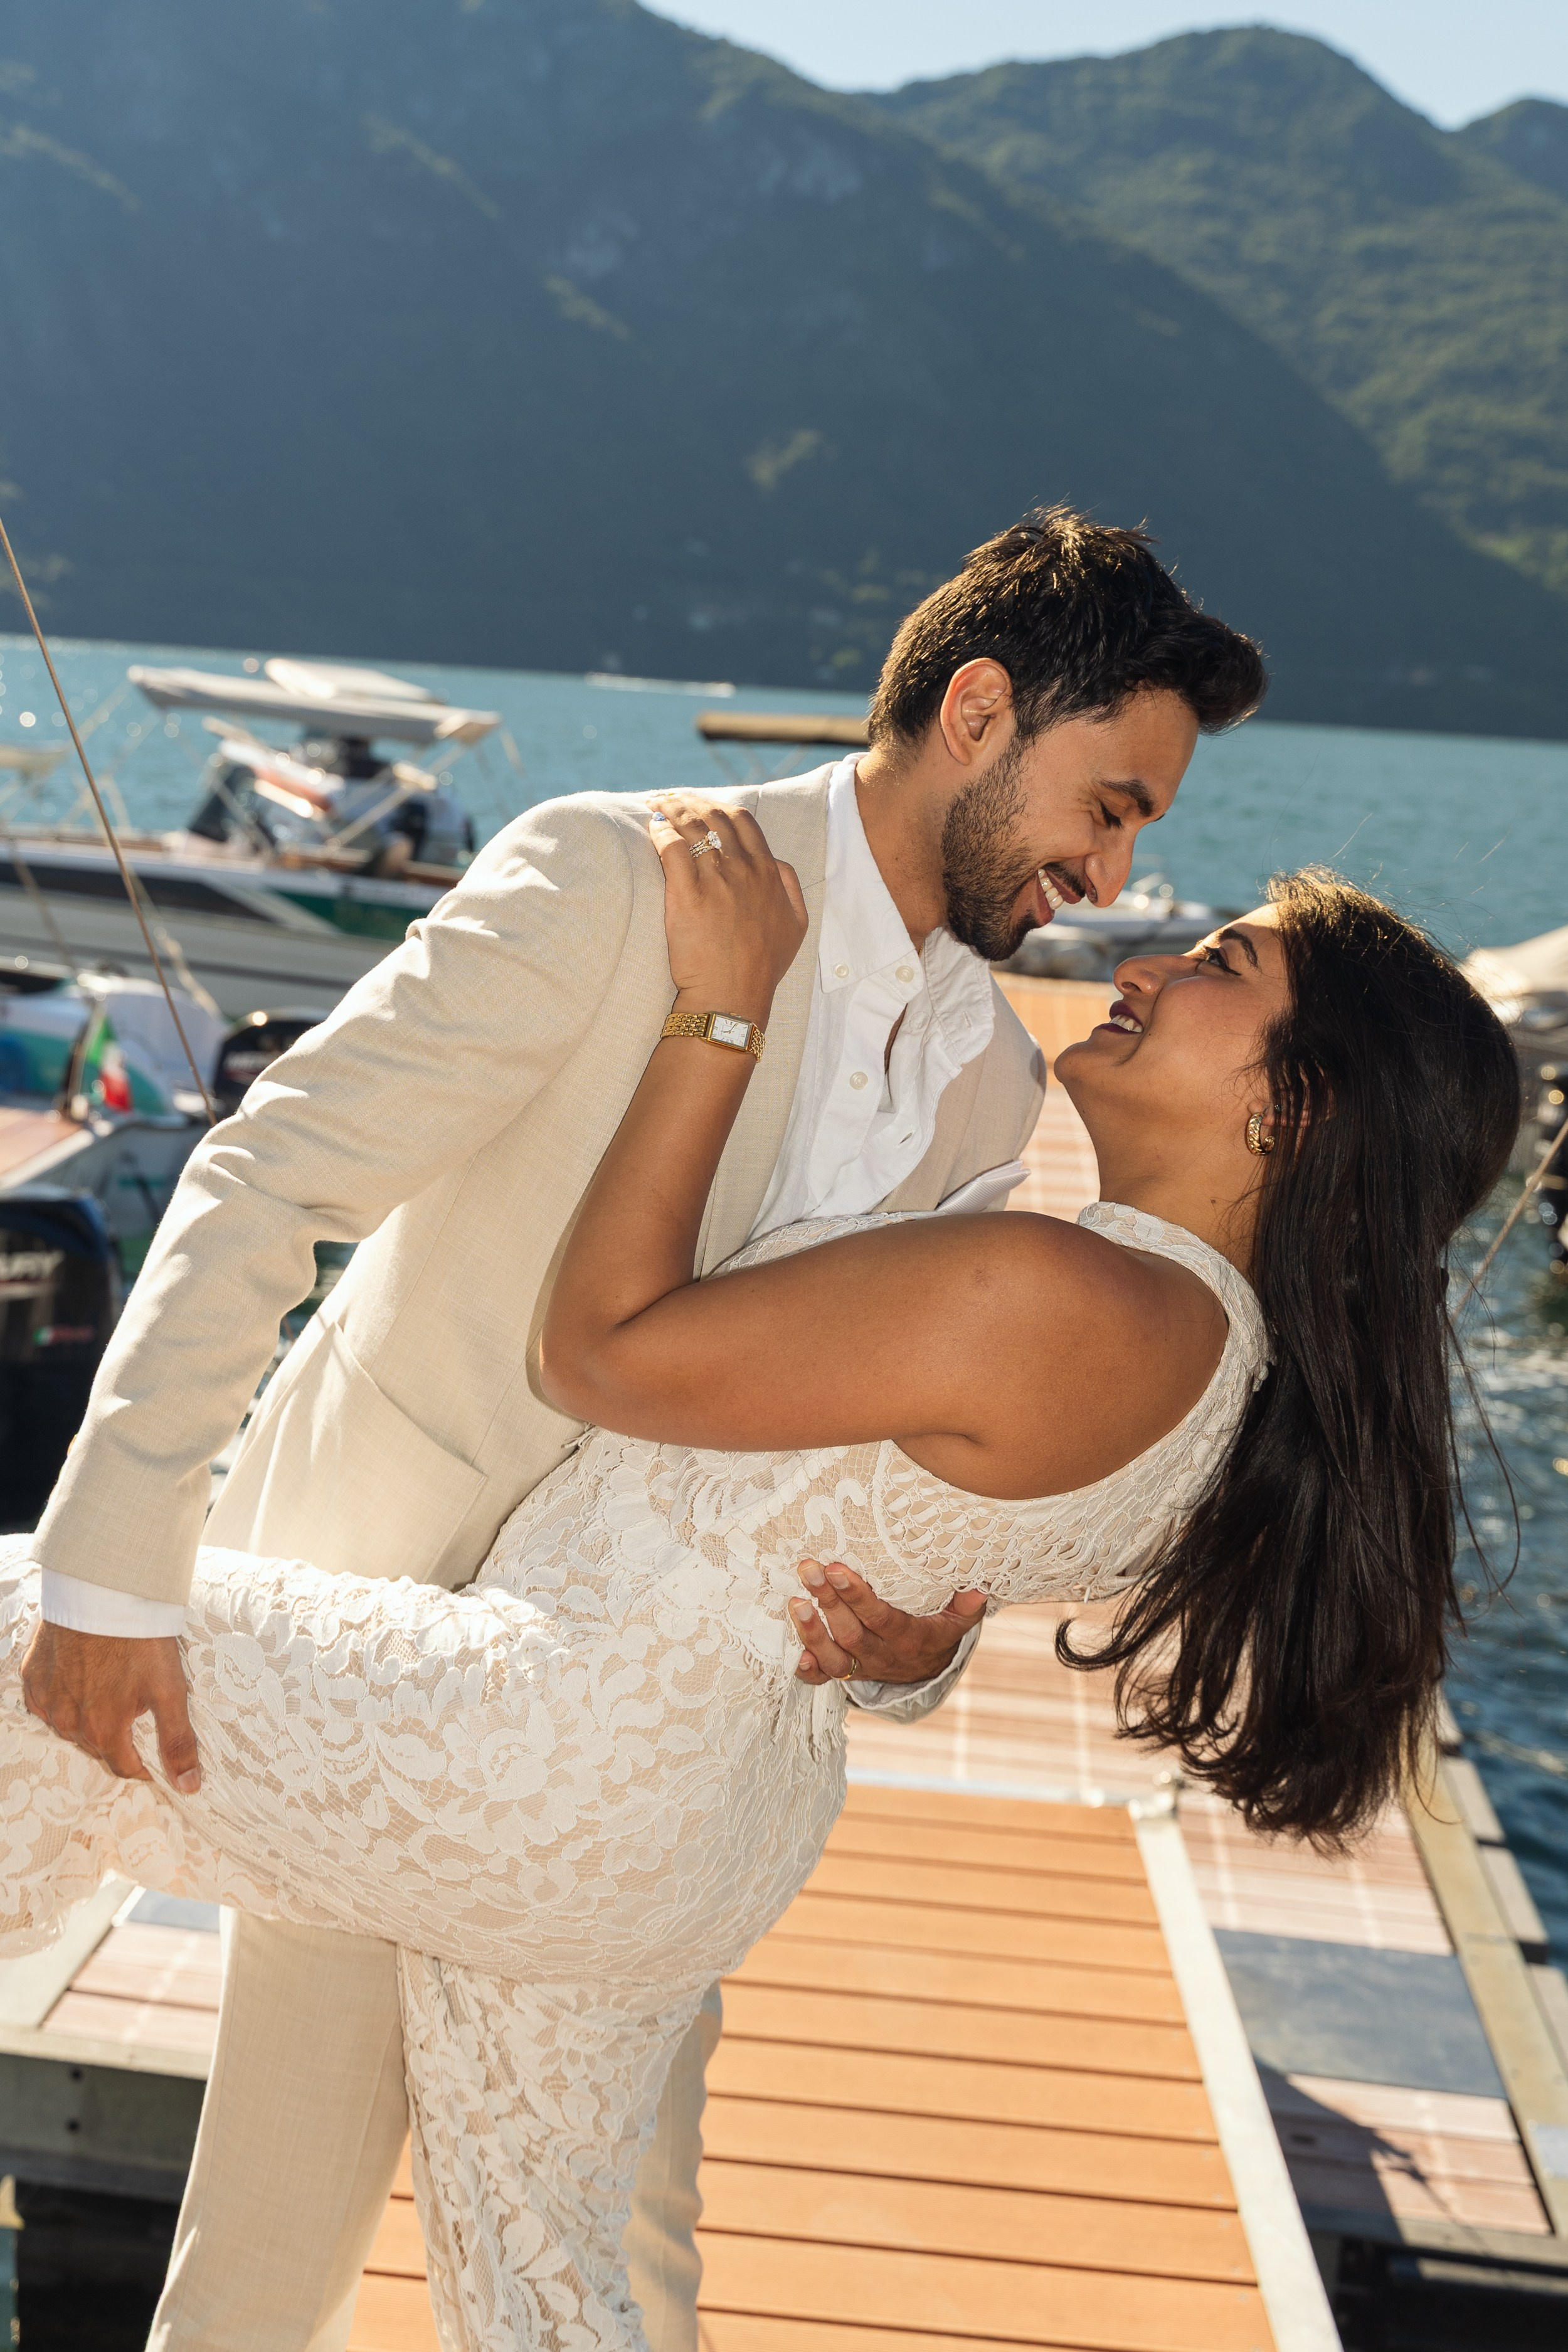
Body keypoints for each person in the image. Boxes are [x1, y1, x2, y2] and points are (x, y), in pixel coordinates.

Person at [18, 506, 1266, 2352]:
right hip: (376, 1626)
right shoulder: (612, 878)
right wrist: (120, 1556)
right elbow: (266, 1175)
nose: (1113, 861)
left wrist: (920, 1651)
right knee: (281, 2219)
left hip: (654, 1750)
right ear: (982, 710)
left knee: (620, 2243)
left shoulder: (993, 1083)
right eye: (1114, 799)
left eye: (1140, 823)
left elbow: (880, 1442)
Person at [3, 845, 1518, 2349]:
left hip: (556, 1751)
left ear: (1294, 1103)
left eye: (1216, 969)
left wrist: (719, 1011)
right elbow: (915, 1536)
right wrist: (919, 1644)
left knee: (25, 1637)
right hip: (675, 1822)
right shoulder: (1214, 1361)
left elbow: (599, 1353)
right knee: (547, 2295)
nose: (1139, 964)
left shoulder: (1067, 1295)